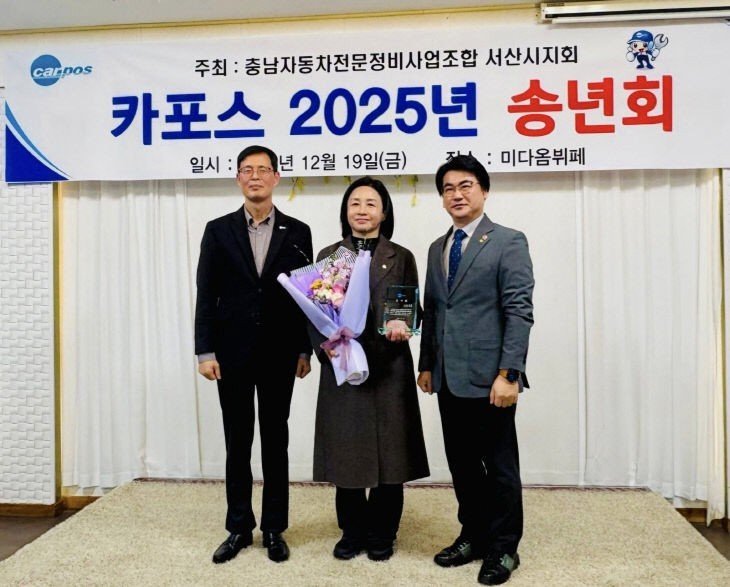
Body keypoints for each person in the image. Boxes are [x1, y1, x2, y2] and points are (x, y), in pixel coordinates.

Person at [417, 155, 534, 585]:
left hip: (491, 378)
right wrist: (427, 364)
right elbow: (433, 310)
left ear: (484, 191)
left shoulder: (508, 241)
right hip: (448, 376)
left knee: (499, 467)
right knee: (462, 464)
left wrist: (510, 373)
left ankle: (504, 547)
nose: (457, 194)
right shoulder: (437, 247)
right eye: (448, 188)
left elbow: (519, 310)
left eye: (465, 185)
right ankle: (474, 534)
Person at [194, 145, 313, 564]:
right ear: (238, 178)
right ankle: (239, 527)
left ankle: (275, 528)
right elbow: (206, 294)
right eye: (248, 170)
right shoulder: (218, 230)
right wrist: (204, 350)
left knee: (276, 440)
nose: (256, 176)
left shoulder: (298, 231)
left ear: (276, 177)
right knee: (238, 441)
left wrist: (304, 348)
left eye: (263, 169)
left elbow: (306, 296)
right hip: (231, 353)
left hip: (281, 351)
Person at [311, 176, 430, 562]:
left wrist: (403, 324)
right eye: (355, 203)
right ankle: (352, 531)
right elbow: (314, 313)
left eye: (370, 203)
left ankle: (383, 531)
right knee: (347, 453)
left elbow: (411, 308)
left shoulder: (401, 257)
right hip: (344, 368)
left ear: (384, 212)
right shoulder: (330, 256)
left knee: (391, 456)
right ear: (345, 212)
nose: (362, 210)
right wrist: (330, 348)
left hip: (389, 368)